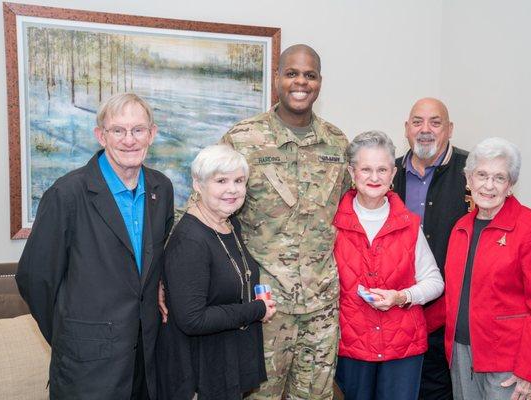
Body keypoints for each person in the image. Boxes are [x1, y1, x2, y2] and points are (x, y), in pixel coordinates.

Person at [16, 93, 175, 399]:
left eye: (138, 130)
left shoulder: (161, 189)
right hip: (87, 368)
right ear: (101, 136)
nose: (129, 140)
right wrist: (72, 337)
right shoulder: (67, 194)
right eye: (118, 130)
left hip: (147, 359)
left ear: (152, 134)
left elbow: (156, 261)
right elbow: (35, 279)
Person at [221, 44, 349, 399]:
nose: (300, 82)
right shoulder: (243, 139)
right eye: (292, 73)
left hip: (321, 312)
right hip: (263, 310)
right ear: (277, 78)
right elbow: (205, 209)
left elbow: (356, 212)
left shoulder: (337, 143)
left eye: (309, 75)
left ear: (320, 82)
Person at [157, 144, 276, 400]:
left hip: (225, 365)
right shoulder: (190, 239)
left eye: (239, 180)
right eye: (221, 180)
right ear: (198, 185)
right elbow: (193, 319)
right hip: (198, 376)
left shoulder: (229, 224)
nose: (232, 189)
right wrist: (257, 310)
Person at [333, 131, 444, 400]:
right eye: (366, 169)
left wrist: (401, 297)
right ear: (352, 172)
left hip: (403, 349)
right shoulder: (332, 222)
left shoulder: (409, 223)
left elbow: (435, 282)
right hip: (350, 346)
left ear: (393, 174)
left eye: (382, 169)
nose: (374, 177)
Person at [444, 137, 531, 400]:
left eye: (499, 177)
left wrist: (530, 372)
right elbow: (453, 294)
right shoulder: (461, 227)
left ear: (510, 185)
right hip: (461, 355)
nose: (488, 185)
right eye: (481, 175)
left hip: (510, 362)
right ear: (468, 180)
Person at [392, 97, 468, 400]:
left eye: (435, 122)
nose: (426, 130)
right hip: (397, 309)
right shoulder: (388, 174)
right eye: (417, 122)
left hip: (448, 315)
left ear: (449, 129)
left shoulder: (470, 173)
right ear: (406, 129)